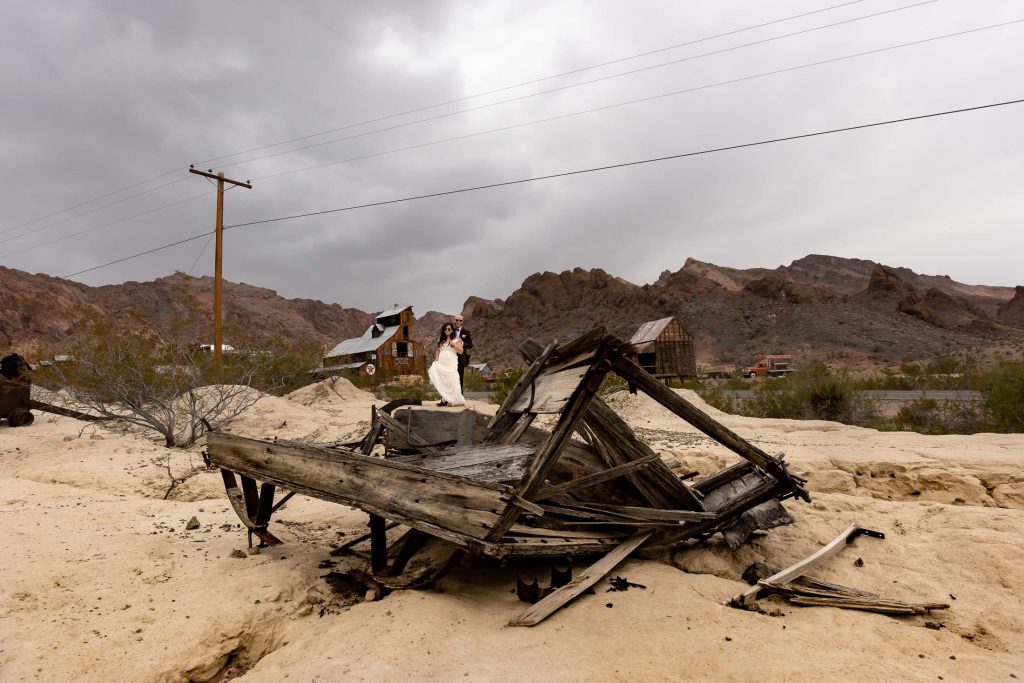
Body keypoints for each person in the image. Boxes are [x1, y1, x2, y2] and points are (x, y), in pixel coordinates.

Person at [427, 321, 465, 407]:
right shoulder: (441, 340)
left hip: (451, 362)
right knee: (443, 381)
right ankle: (444, 399)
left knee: (452, 380)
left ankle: (455, 400)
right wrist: (436, 359)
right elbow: (437, 350)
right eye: (445, 329)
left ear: (452, 329)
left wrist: (453, 345)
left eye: (448, 329)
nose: (446, 330)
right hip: (442, 362)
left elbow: (461, 351)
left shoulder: (456, 339)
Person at [452, 314, 473, 392]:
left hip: (461, 358)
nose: (458, 322)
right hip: (451, 357)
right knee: (451, 376)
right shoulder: (450, 331)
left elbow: (470, 345)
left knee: (460, 377)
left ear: (462, 322)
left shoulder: (466, 332)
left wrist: (462, 343)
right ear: (454, 320)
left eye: (460, 320)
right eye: (456, 320)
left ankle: (460, 396)